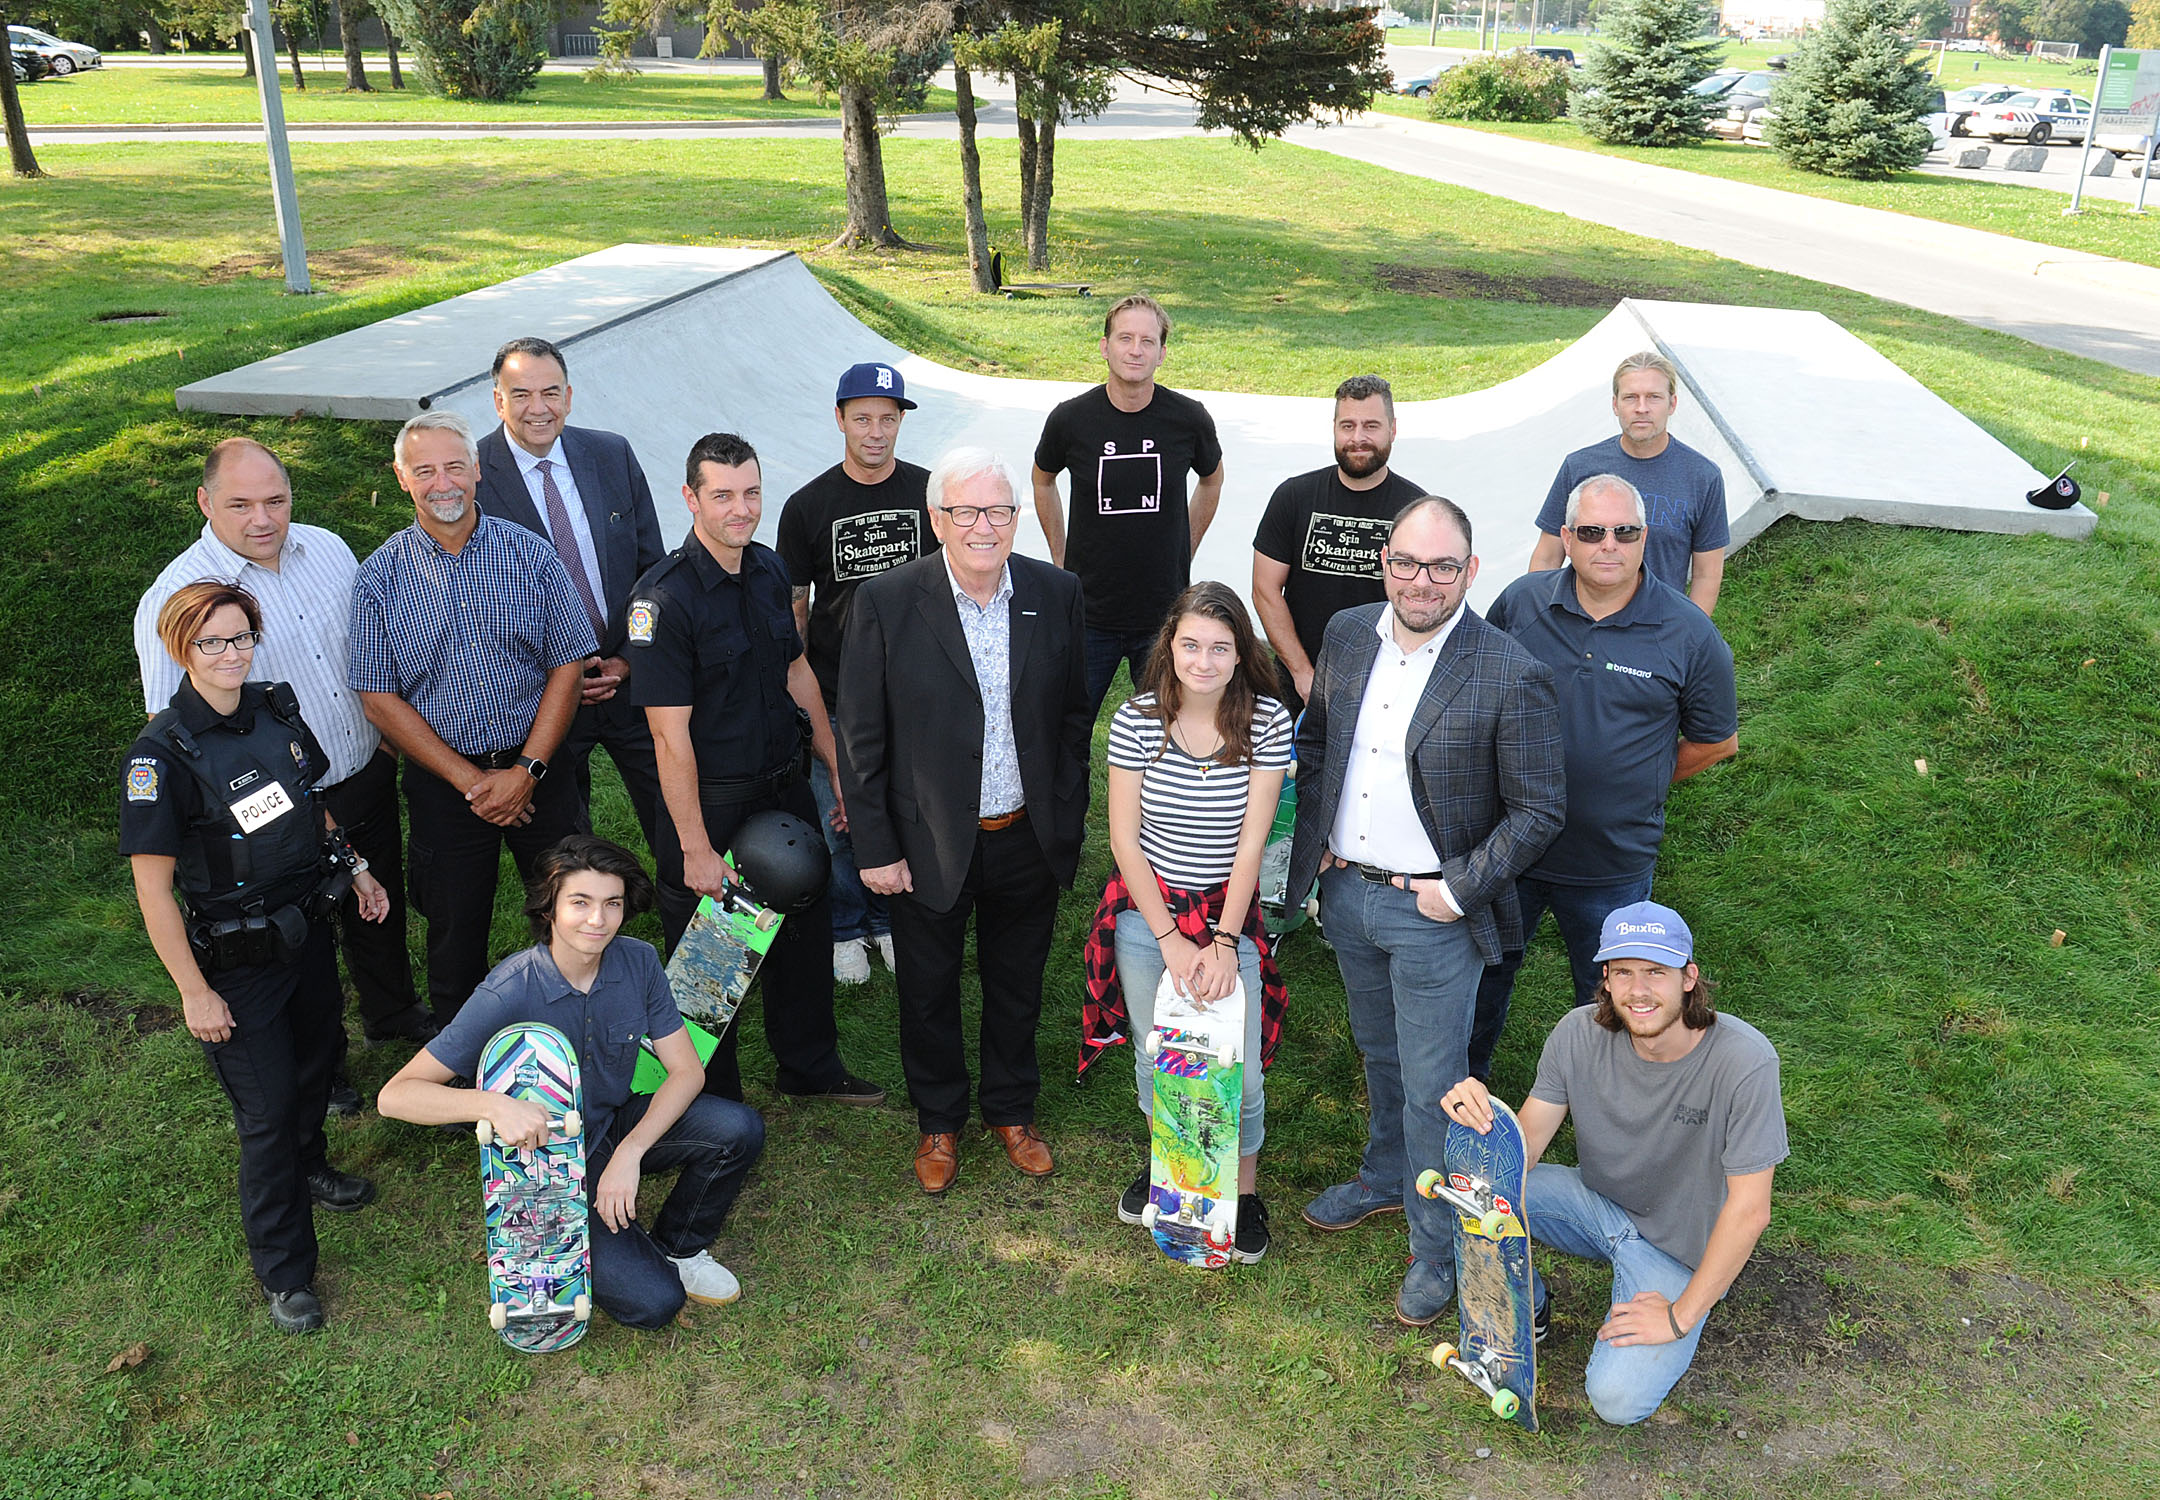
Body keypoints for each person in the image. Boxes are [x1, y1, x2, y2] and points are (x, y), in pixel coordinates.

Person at [1283, 495, 1565, 1325]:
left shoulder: (1509, 670)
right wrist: (1321, 840)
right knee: (1379, 1056)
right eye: (1406, 562)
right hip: (1349, 895)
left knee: (1436, 1085)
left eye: (1443, 566)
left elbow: (1540, 810)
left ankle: (1438, 1248)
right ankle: (1380, 1178)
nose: (1422, 581)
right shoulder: (1345, 634)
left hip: (1433, 915)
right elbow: (1318, 739)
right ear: (1385, 564)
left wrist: (1458, 889)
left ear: (1471, 572)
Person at [134, 438, 434, 1131]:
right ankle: (320, 1068)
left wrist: (388, 733)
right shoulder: (179, 594)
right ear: (206, 503)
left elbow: (366, 646)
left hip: (360, 768)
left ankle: (391, 1011)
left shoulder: (327, 548)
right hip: (263, 808)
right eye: (240, 504)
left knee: (373, 897)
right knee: (297, 936)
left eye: (276, 499)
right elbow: (170, 725)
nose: (263, 518)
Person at [122, 582, 390, 1333]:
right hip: (235, 965)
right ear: (182, 648)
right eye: (213, 642)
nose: (231, 655)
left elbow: (312, 803)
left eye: (241, 638)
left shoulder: (277, 709)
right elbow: (154, 893)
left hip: (305, 932)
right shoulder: (162, 754)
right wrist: (192, 991)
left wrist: (357, 866)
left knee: (315, 1063)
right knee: (265, 1113)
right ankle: (285, 1272)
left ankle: (313, 1166)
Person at [378, 835, 766, 1325]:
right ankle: (583, 1239)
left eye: (612, 904)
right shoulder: (509, 989)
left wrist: (630, 1155)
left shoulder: (638, 961)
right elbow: (396, 1096)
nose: (597, 920)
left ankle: (679, 1247)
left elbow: (687, 1071)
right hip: (547, 1167)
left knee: (738, 1129)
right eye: (580, 902)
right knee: (654, 1305)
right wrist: (494, 1107)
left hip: (612, 1126)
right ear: (549, 908)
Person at [839, 447, 1092, 1193]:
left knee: (1018, 983)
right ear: (937, 519)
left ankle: (1012, 1111)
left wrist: (1065, 816)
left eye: (1000, 511)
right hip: (925, 845)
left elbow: (1077, 716)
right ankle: (939, 1123)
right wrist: (878, 846)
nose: (985, 526)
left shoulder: (1057, 591)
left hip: (1025, 835)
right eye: (967, 511)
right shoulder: (887, 600)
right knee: (927, 988)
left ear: (1018, 517)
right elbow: (860, 737)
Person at [1439, 902, 1785, 1425]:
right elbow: (1522, 1152)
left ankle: (1682, 1298)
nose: (1639, 990)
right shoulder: (1578, 1033)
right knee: (1478, 1193)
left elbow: (1750, 1211)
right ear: (1605, 976)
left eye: (1656, 973)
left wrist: (1678, 1315)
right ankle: (1524, 1303)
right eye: (1624, 972)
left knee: (1616, 1401)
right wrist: (1482, 1117)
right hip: (1597, 1206)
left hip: (1678, 1250)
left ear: (1689, 978)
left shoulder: (1744, 1061)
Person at [626, 432, 883, 1107]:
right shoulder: (663, 599)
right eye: (722, 495)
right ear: (691, 498)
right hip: (710, 804)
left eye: (750, 493)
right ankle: (708, 1103)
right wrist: (695, 849)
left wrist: (835, 767)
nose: (740, 509)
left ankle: (811, 1068)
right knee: (711, 960)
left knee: (805, 931)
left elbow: (798, 673)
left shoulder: (769, 572)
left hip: (784, 787)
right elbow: (667, 736)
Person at [1469, 474, 1738, 1080]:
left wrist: (1642, 779)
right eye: (1591, 532)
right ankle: (1461, 1095)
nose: (1608, 544)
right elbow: (1475, 693)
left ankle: (1605, 1112)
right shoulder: (1521, 604)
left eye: (1624, 532)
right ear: (1566, 538)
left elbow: (1717, 740)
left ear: (1645, 539)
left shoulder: (1690, 632)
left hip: (1612, 863)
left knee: (1611, 1004)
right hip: (1509, 848)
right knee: (1483, 979)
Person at [349, 410, 595, 1026]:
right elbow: (378, 696)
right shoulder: (379, 576)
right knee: (455, 922)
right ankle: (461, 1055)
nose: (443, 483)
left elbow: (568, 663)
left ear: (478, 470)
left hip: (539, 769)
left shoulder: (530, 553)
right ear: (401, 478)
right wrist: (471, 783)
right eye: (425, 470)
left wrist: (527, 769)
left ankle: (584, 1022)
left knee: (572, 900)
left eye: (454, 465)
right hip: (445, 786)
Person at [1082, 581, 1292, 1262]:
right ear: (1169, 644)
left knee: (1243, 1070)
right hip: (1149, 912)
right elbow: (1123, 840)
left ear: (1241, 654)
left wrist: (1225, 942)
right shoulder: (1137, 718)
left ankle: (1245, 1192)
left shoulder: (1267, 722)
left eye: (1220, 647)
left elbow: (1251, 845)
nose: (1203, 660)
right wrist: (1171, 940)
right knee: (1159, 1051)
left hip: (1228, 909)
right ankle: (1168, 1170)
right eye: (1191, 644)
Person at [476, 337, 668, 857]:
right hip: (539, 698)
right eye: (520, 395)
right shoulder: (470, 477)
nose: (538, 409)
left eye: (550, 392)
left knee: (678, 821)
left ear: (570, 395)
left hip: (629, 681)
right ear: (497, 400)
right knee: (563, 850)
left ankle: (701, 931)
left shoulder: (611, 454)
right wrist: (560, 674)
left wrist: (630, 656)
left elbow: (655, 574)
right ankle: (582, 936)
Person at [776, 361, 934, 986]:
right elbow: (795, 605)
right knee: (835, 812)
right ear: (839, 419)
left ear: (901, 422)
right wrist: (801, 684)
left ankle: (891, 918)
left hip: (914, 689)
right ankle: (845, 925)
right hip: (838, 690)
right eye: (862, 418)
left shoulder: (929, 495)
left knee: (902, 809)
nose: (876, 431)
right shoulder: (808, 505)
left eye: (887, 419)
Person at [1031, 294, 1226, 717]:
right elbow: (1042, 479)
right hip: (1089, 610)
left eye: (1147, 341)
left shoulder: (1188, 419)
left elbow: (1212, 479)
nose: (1135, 350)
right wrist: (1060, 556)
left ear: (1162, 354)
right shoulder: (1071, 419)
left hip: (1162, 612)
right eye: (1124, 339)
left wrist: (1184, 547)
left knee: (1167, 727)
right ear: (1105, 347)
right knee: (1069, 728)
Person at [1251, 375, 1428, 713]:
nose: (1357, 438)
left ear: (1393, 430)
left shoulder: (1418, 511)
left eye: (1371, 426)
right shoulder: (1294, 497)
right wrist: (1304, 674)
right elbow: (1264, 589)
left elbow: (1423, 600)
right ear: (1334, 427)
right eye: (1347, 425)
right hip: (1296, 680)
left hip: (1387, 685)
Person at [1531, 351, 1728, 614]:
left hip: (1659, 629)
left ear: (1672, 404)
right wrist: (1539, 618)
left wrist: (1689, 638)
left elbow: (1707, 575)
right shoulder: (1579, 467)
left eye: (1654, 397)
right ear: (1615, 404)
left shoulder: (1703, 477)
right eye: (1631, 397)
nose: (1642, 408)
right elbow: (1547, 556)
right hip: (1578, 625)